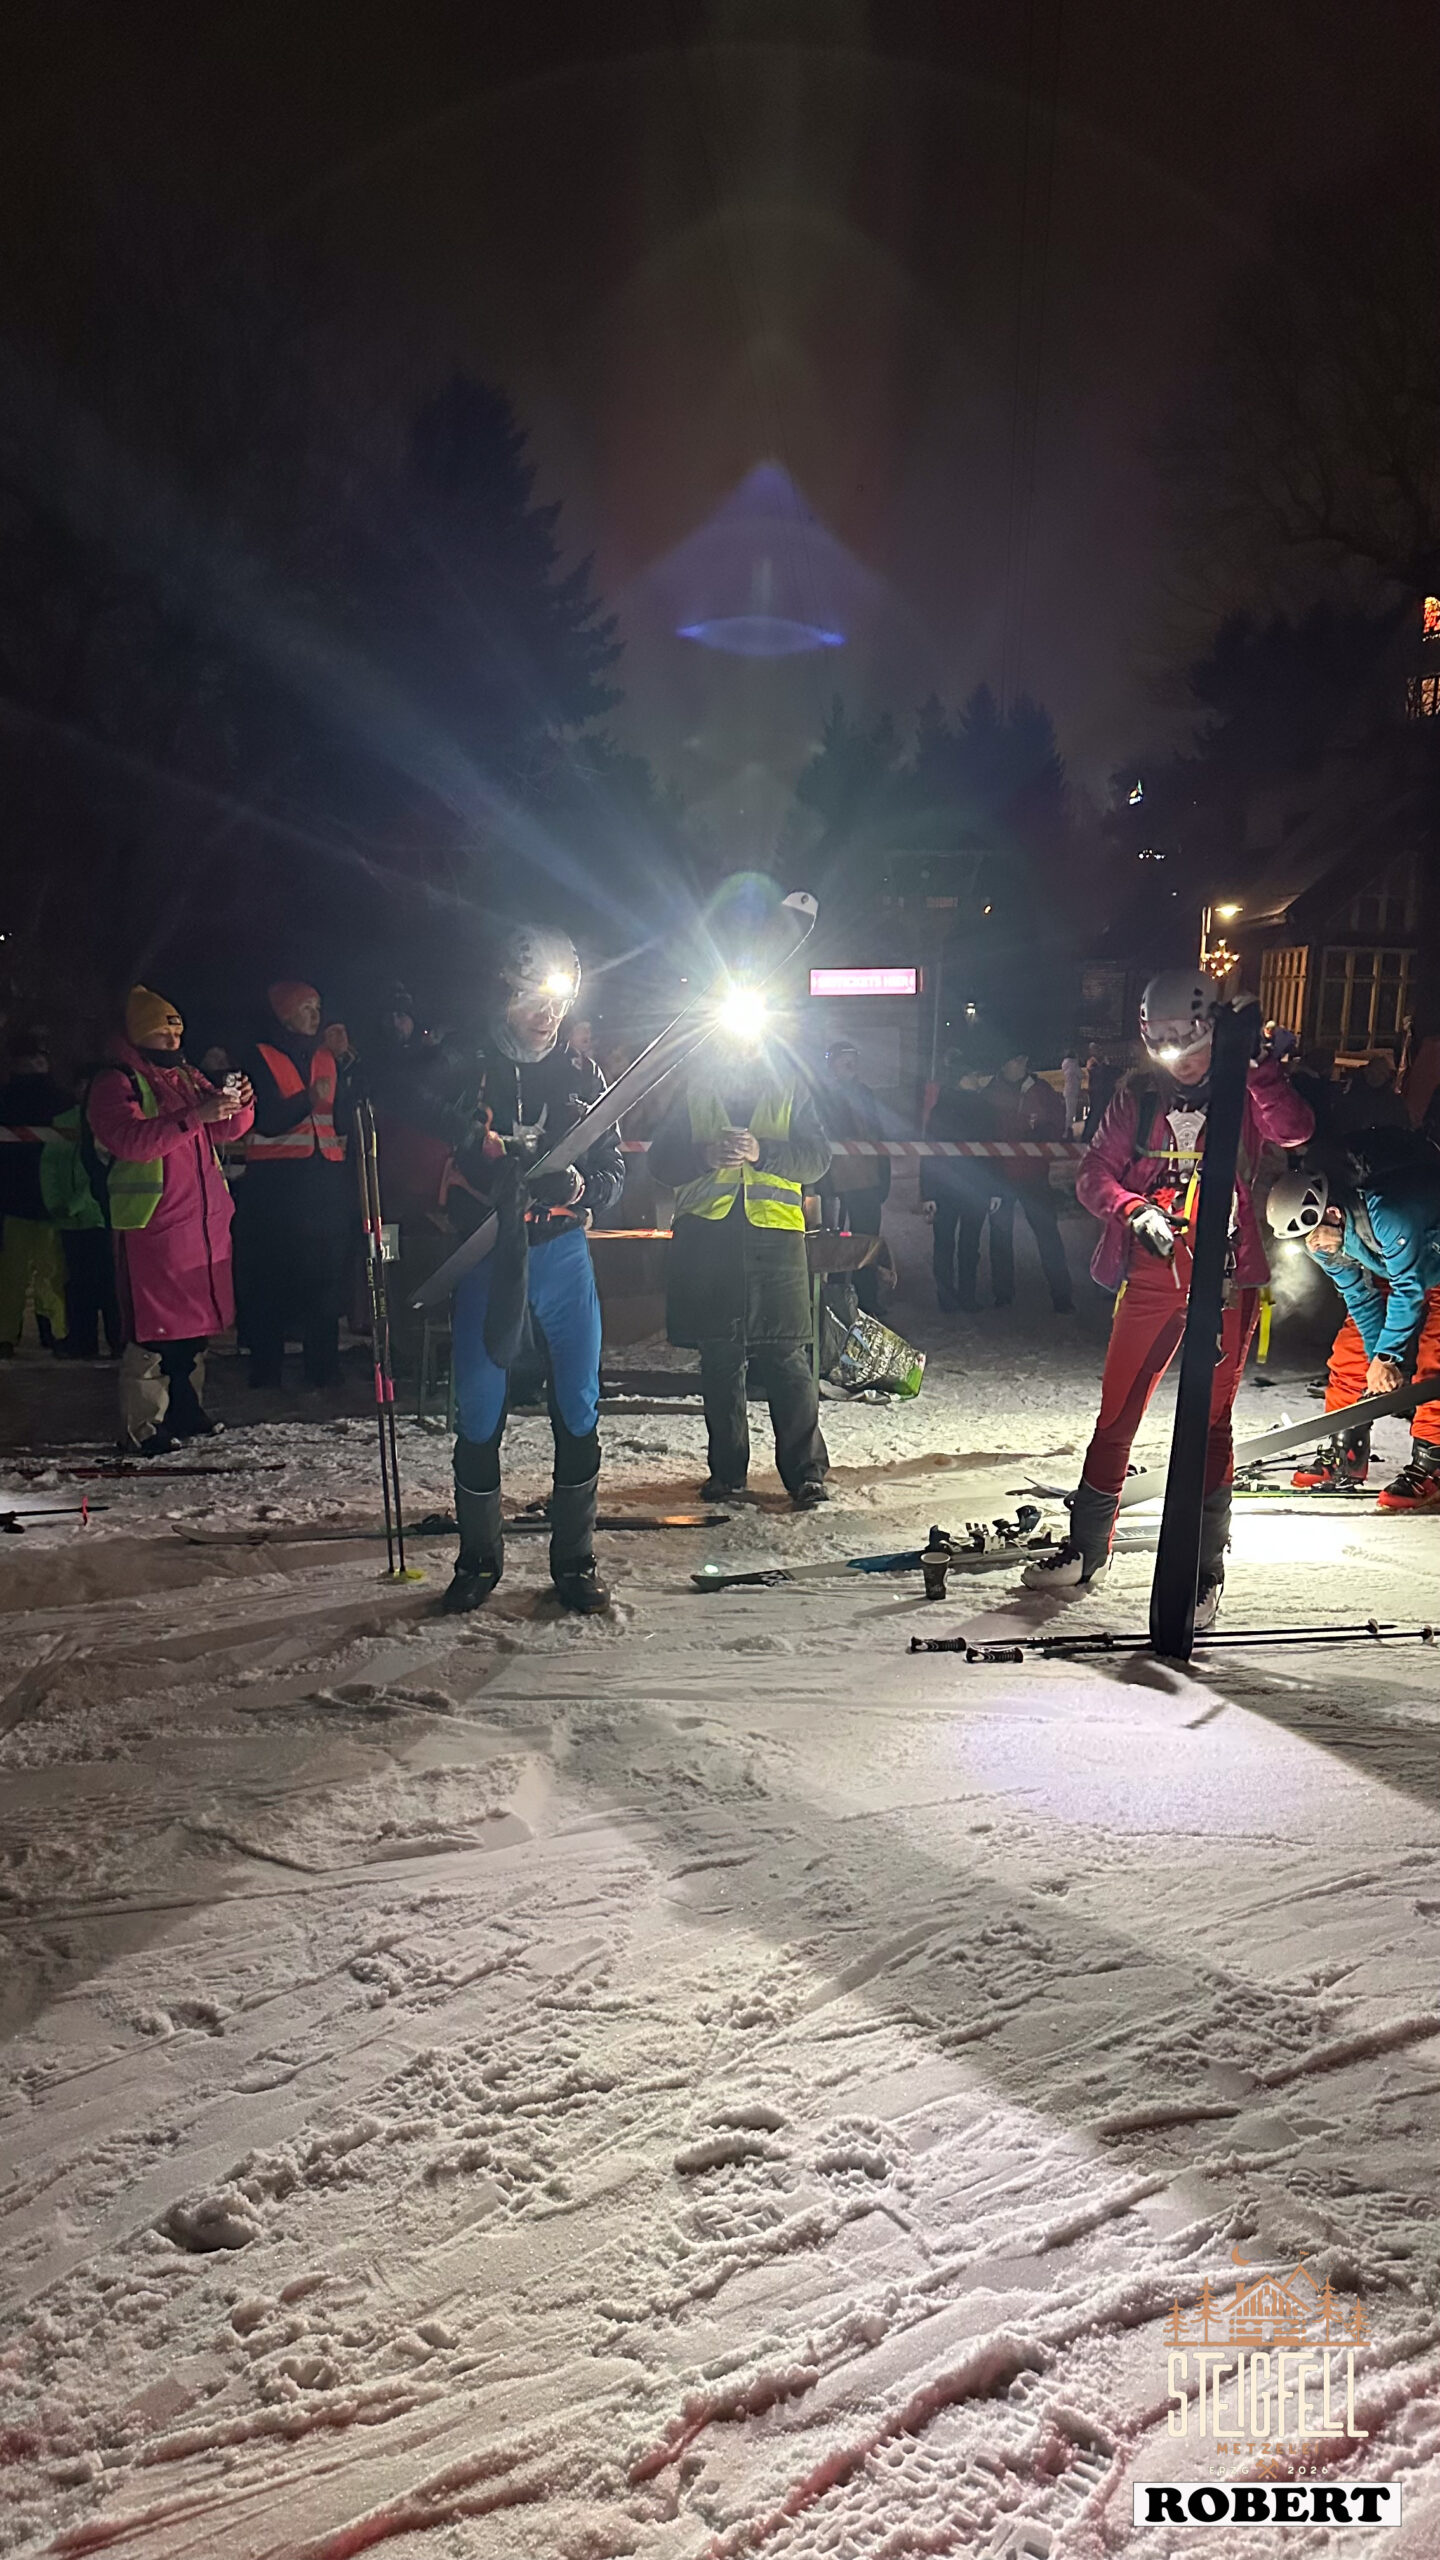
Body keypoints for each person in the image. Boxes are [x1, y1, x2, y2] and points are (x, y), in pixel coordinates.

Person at [1022, 971, 1312, 1623]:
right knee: (1118, 1410)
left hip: (1227, 1273)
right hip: (1154, 1271)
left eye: (1189, 1040)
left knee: (1211, 1423)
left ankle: (1204, 1567)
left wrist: (1257, 1066)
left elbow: (1295, 1131)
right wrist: (1131, 1210)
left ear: (1211, 1030)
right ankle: (1087, 1545)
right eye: (1164, 1042)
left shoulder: (1243, 1087)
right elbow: (1095, 1173)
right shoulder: (1138, 1096)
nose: (1178, 1056)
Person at [442, 924, 624, 1615]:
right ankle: (477, 1559)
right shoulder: (470, 1067)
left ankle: (575, 1560)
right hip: (489, 1255)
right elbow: (434, 1143)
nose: (548, 1015)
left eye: (560, 1001)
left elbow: (614, 1170)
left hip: (561, 1254)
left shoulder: (581, 1073)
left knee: (577, 1401)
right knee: (478, 1405)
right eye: (534, 999)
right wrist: (483, 1167)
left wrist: (579, 1186)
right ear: (506, 992)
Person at [649, 1022, 831, 1507]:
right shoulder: (694, 1091)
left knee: (786, 1357)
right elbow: (660, 1162)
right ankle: (727, 1474)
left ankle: (806, 1474)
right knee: (720, 1358)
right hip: (708, 1240)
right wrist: (704, 1156)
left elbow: (816, 1159)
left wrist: (762, 1152)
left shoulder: (790, 1089)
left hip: (775, 1238)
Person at [85, 987, 254, 1453]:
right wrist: (196, 1116)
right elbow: (130, 1141)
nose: (172, 1042)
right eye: (162, 1033)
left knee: (192, 1329)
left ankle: (185, 1408)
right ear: (138, 1034)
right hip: (152, 1226)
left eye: (176, 1033)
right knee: (154, 1331)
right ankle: (143, 1425)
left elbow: (227, 1128)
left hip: (199, 1224)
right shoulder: (115, 1081)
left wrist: (240, 1103)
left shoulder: (183, 1076)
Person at [1268, 1161, 1440, 1508]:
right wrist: (1380, 1361)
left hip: (1424, 1262)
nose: (1313, 1245)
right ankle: (1346, 1452)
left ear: (1332, 1213)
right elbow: (1360, 1298)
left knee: (1436, 1355)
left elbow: (1409, 1289)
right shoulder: (1322, 1240)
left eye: (1316, 1234)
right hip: (1398, 1265)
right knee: (1352, 1349)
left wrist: (1389, 1357)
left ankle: (1433, 1461)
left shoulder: (1388, 1213)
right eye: (1306, 1238)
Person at [238, 981, 354, 1391]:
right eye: (306, 1007)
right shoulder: (258, 1056)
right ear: (285, 1013)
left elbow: (342, 1119)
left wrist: (346, 1064)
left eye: (318, 1006)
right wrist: (308, 1098)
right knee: (271, 1278)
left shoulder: (327, 1057)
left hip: (324, 1183)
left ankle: (323, 1369)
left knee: (325, 1279)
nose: (315, 1015)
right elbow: (265, 1119)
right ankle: (266, 1369)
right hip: (276, 1185)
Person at [986, 1048, 1075, 1314]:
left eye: (1024, 1059)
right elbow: (983, 1129)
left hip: (1034, 1175)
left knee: (1048, 1235)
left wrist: (1042, 1137)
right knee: (1000, 1237)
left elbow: (1057, 1121)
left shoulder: (1041, 1090)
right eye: (1015, 1060)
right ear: (1004, 1064)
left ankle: (1062, 1296)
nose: (1021, 1064)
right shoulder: (991, 1093)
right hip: (1000, 1177)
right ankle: (1003, 1295)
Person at [0, 1028, 70, 1355]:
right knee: (49, 1273)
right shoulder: (61, 1099)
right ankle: (54, 1332)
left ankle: (7, 1336)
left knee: (13, 1274)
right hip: (48, 1200)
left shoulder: (6, 1098)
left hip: (14, 1200)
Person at [42, 1081, 123, 1359]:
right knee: (78, 1285)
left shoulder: (114, 1121)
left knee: (110, 1285)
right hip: (72, 1221)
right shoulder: (62, 1122)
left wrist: (73, 1204)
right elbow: (50, 1166)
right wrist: (55, 1204)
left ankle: (118, 1341)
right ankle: (82, 1341)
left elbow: (101, 1173)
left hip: (101, 1218)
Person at [920, 1049, 1003, 1312]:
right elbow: (930, 1153)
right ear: (961, 1078)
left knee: (963, 1245)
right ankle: (953, 1298)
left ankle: (961, 1297)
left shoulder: (977, 1108)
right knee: (953, 1245)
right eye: (973, 1075)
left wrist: (994, 1189)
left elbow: (992, 1152)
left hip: (964, 1189)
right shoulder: (946, 1110)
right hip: (956, 1189)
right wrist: (928, 1193)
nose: (978, 1079)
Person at [816, 1037, 891, 1315]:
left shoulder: (864, 1094)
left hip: (866, 1179)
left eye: (853, 1058)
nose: (850, 1064)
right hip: (836, 1181)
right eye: (844, 1059)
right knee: (835, 1243)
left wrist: (882, 1176)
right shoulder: (821, 1096)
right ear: (832, 1064)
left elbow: (877, 1135)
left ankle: (866, 1300)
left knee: (866, 1240)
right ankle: (834, 1301)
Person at [1060, 1047, 1084, 1132]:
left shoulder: (1065, 1064)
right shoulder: (1073, 1065)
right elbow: (1081, 1075)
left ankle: (1067, 1128)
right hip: (1073, 1089)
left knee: (1069, 1111)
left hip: (1067, 1089)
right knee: (1071, 1112)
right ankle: (1067, 1129)